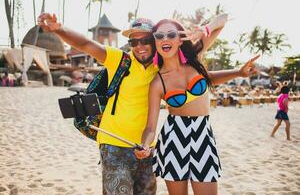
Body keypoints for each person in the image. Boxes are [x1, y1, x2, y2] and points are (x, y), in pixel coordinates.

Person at [38, 12, 256, 194]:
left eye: (146, 40)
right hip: (116, 143)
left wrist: (205, 33)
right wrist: (59, 29)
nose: (140, 46)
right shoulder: (124, 61)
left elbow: (207, 65)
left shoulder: (165, 67)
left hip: (149, 150)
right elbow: (87, 44)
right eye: (134, 41)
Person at [134, 19, 259, 195]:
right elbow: (150, 128)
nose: (165, 39)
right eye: (159, 36)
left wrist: (204, 30)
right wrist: (145, 145)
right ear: (155, 41)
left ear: (180, 40)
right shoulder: (157, 82)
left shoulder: (194, 58)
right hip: (174, 139)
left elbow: (222, 20)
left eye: (171, 35)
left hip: (203, 135)